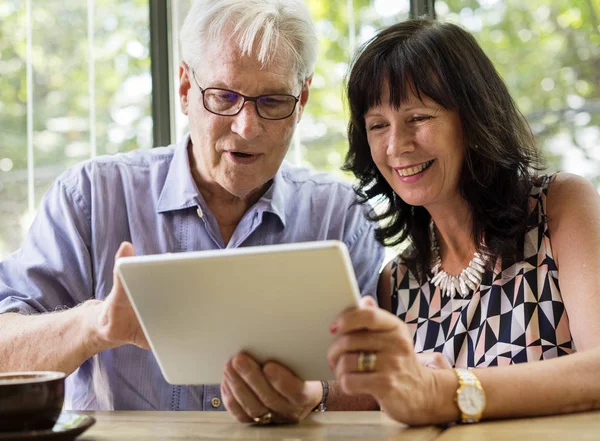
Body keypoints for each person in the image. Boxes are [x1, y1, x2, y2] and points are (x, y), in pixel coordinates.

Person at [0, 0, 385, 416]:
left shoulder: (343, 216)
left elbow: (378, 380)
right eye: (223, 96)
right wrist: (96, 326)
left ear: (303, 98)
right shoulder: (91, 196)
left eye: (273, 102)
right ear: (185, 89)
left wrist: (319, 394)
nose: (246, 127)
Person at [329, 19, 600, 425]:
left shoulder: (559, 207)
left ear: (472, 118)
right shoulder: (397, 280)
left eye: (418, 118)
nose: (396, 145)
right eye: (378, 125)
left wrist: (444, 392)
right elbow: (377, 399)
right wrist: (306, 395)